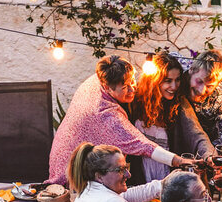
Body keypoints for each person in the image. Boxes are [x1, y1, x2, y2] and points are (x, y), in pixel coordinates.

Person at [47, 55, 193, 187]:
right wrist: (179, 161)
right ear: (107, 87)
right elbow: (142, 145)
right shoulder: (105, 115)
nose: (132, 90)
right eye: (125, 87)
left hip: (65, 161)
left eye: (132, 82)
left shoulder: (97, 78)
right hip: (70, 178)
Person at [130, 52, 215, 183]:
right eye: (168, 81)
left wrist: (209, 155)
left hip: (169, 174)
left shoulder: (179, 103)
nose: (174, 86)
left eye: (177, 80)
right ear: (154, 80)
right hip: (140, 173)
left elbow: (196, 133)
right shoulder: (135, 102)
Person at [178, 49, 222, 189]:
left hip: (206, 155)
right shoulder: (180, 70)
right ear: (191, 70)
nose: (202, 90)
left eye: (209, 86)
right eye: (199, 81)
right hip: (175, 142)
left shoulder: (221, 96)